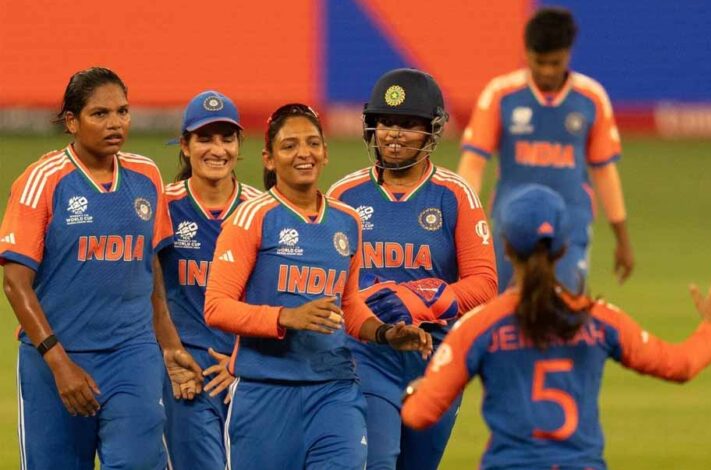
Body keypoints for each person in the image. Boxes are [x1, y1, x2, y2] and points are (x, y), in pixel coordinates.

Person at [401, 184, 711, 470]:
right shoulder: (599, 319)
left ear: (505, 247)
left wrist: (416, 391)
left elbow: (419, 415)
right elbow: (679, 365)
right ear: (564, 247)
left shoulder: (479, 326)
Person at [203, 103, 433, 470]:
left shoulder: (347, 221)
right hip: (266, 393)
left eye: (312, 143)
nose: (303, 153)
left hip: (335, 391)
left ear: (325, 153)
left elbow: (349, 306)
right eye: (289, 145)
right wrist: (286, 317)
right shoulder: (252, 217)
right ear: (268, 159)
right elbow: (217, 307)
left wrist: (387, 333)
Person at [0, 66, 202, 469]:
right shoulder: (43, 180)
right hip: (57, 358)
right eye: (100, 114)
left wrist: (169, 345)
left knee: (137, 461)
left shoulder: (146, 175)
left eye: (122, 111)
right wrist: (59, 363)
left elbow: (150, 270)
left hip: (132, 355)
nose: (115, 123)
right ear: (72, 121)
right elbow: (14, 282)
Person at [327, 68, 498, 469]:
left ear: (431, 131)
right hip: (368, 353)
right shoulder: (344, 195)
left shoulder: (454, 195)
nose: (394, 134)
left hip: (436, 359)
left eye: (408, 124)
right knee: (378, 462)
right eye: (386, 122)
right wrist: (368, 300)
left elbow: (484, 283)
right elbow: (326, 281)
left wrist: (417, 300)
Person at [457, 7, 634, 294]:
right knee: (497, 306)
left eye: (556, 62)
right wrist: (463, 222)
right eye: (540, 62)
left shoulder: (591, 98)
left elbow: (604, 170)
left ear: (568, 54)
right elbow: (473, 162)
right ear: (526, 53)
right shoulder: (502, 94)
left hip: (570, 222)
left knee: (565, 305)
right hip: (510, 223)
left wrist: (622, 239)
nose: (547, 71)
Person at [158, 90, 263, 469]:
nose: (217, 149)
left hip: (249, 370)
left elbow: (272, 297)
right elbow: (143, 291)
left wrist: (242, 363)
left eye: (226, 138)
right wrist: (170, 357)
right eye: (204, 138)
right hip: (188, 372)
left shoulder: (260, 210)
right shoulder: (163, 206)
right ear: (185, 146)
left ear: (238, 145)